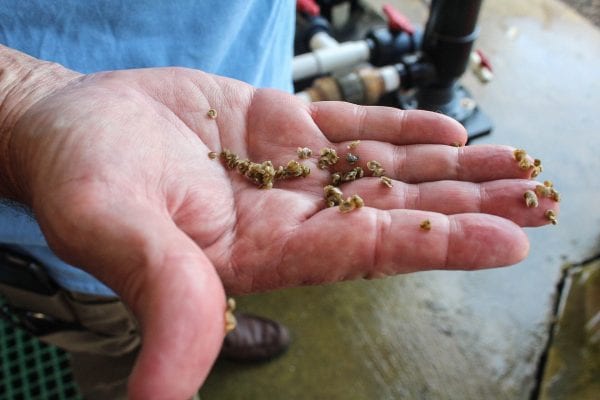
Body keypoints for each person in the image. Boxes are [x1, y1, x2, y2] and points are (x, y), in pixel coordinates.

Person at [0, 1, 557, 399]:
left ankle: (216, 322)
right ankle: (140, 344)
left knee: (213, 283)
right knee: (121, 346)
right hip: (58, 237)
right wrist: (23, 98)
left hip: (245, 111)